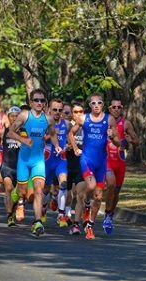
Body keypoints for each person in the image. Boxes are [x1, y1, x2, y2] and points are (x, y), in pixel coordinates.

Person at [8, 89, 62, 236]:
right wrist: (23, 140)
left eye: (42, 100)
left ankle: (37, 223)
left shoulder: (48, 119)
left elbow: (52, 134)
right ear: (31, 102)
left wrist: (56, 145)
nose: (39, 103)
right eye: (36, 100)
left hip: (38, 161)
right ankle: (13, 201)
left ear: (45, 103)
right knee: (22, 192)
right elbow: (10, 132)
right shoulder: (24, 115)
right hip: (24, 160)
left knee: (38, 191)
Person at [68, 93, 120, 240]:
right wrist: (76, 148)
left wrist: (111, 137)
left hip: (101, 162)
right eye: (93, 103)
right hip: (87, 159)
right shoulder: (84, 118)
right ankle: (85, 205)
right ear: (89, 105)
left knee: (98, 197)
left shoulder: (109, 119)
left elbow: (118, 143)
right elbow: (71, 134)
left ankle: (90, 225)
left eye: (99, 103)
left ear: (103, 104)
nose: (96, 105)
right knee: (90, 186)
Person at [104, 100, 139, 234]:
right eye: (114, 107)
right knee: (111, 185)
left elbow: (137, 141)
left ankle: (110, 215)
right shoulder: (103, 121)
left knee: (116, 191)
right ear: (110, 108)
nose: (117, 109)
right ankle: (105, 213)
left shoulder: (126, 123)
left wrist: (130, 140)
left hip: (120, 161)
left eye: (119, 107)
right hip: (106, 160)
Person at [43, 99, 70, 227]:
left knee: (63, 184)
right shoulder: (44, 123)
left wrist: (70, 146)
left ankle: (61, 215)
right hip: (47, 160)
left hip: (61, 160)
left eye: (60, 110)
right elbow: (38, 139)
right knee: (46, 189)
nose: (58, 112)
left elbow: (72, 138)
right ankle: (43, 209)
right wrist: (50, 135)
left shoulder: (67, 124)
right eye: (55, 109)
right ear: (49, 109)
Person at [66, 102, 88, 235]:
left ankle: (76, 224)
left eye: (81, 112)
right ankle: (64, 212)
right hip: (67, 165)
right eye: (76, 112)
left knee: (80, 195)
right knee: (69, 195)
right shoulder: (66, 126)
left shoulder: (87, 127)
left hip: (82, 166)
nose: (78, 114)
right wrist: (68, 147)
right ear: (72, 115)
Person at [1, 106, 22, 226]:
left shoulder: (24, 132)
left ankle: (13, 211)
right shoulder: (3, 131)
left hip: (20, 166)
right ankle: (9, 216)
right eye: (12, 116)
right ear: (8, 117)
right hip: (7, 165)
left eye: (16, 116)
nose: (14, 118)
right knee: (8, 189)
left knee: (17, 192)